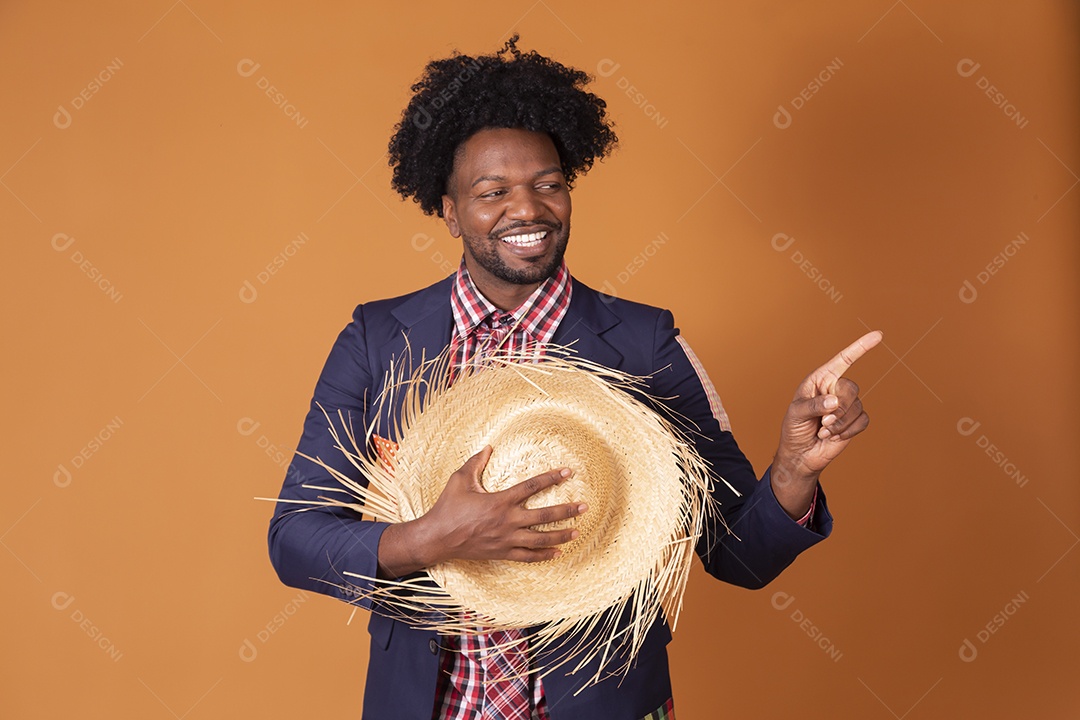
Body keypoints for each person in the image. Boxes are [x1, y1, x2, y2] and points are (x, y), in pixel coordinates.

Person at [268, 36, 880, 720]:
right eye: (492, 192)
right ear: (449, 211)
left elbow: (739, 556)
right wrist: (430, 538)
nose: (527, 210)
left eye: (548, 184)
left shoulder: (645, 343)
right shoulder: (379, 339)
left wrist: (793, 470)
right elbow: (294, 538)